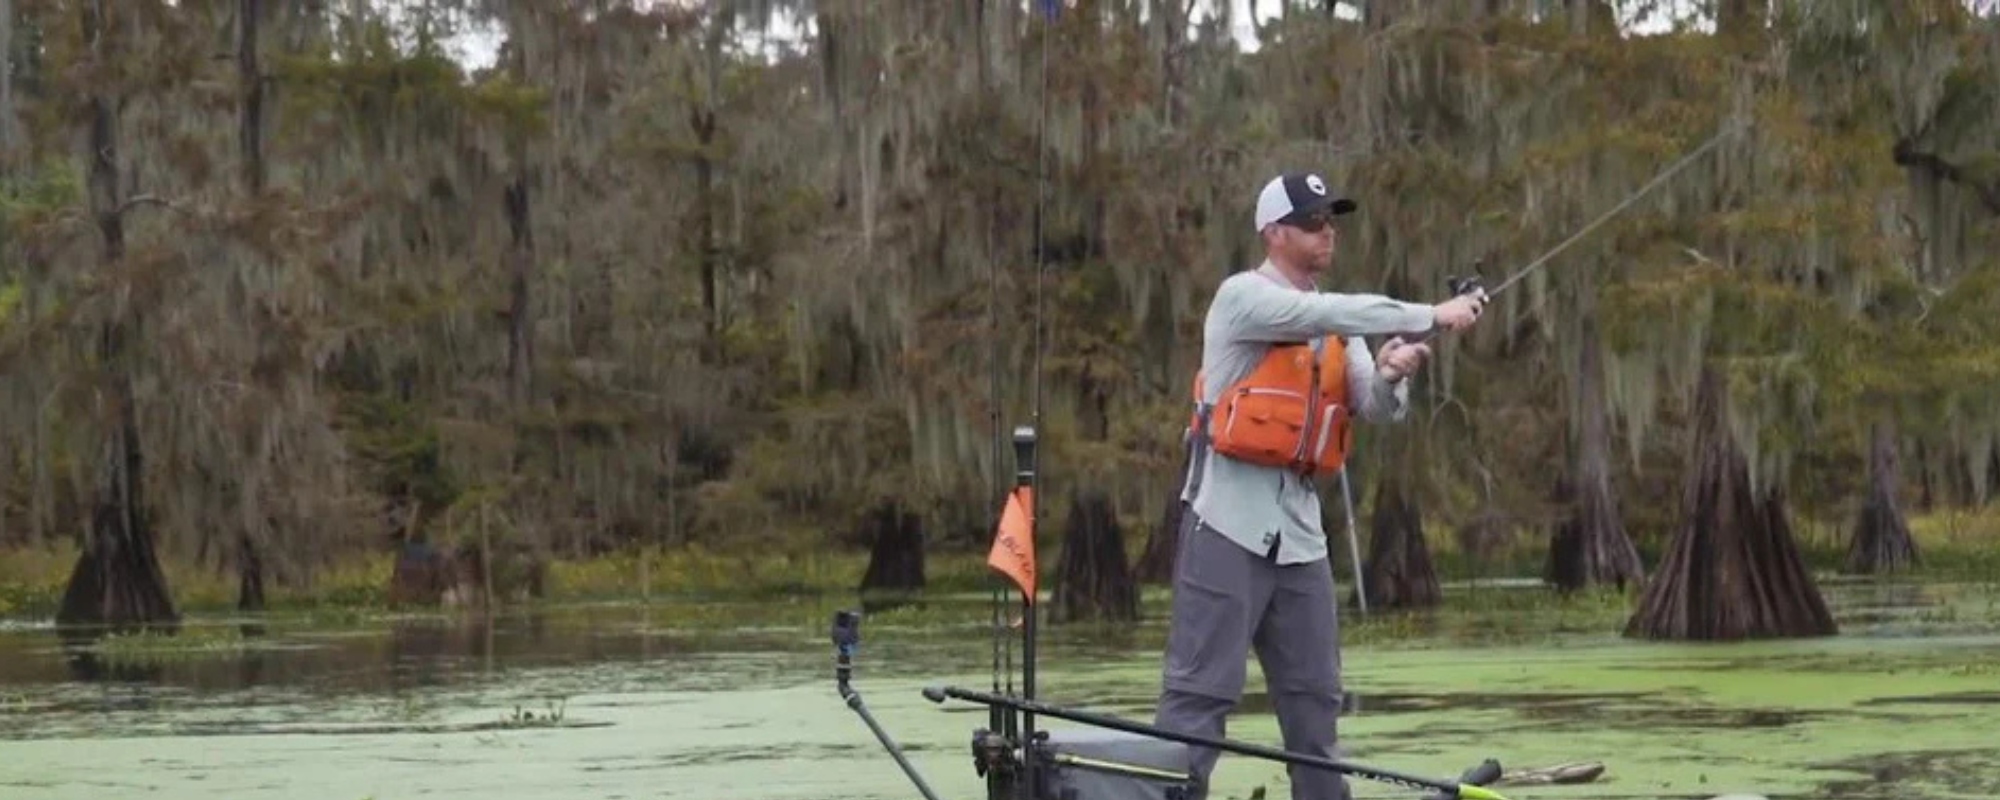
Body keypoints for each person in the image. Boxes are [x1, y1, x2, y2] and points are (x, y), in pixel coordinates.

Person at [1154, 171, 1485, 800]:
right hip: (1225, 525)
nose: (1326, 231)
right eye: (1312, 222)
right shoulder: (1242, 298)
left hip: (1301, 539)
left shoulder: (1341, 325)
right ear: (1273, 233)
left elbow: (1377, 405)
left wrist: (1394, 370)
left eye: (1331, 220)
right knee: (1198, 701)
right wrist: (1432, 315)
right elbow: (1325, 311)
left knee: (1315, 707)